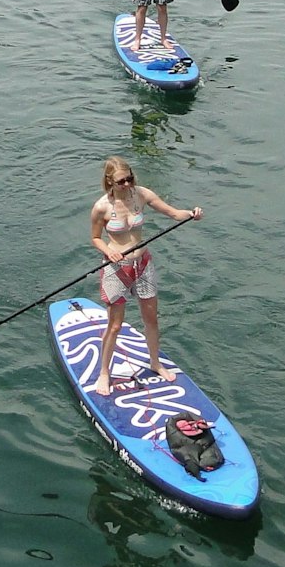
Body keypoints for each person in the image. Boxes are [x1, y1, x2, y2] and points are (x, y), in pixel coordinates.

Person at [86, 156, 203, 396]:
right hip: (116, 269)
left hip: (143, 264)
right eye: (121, 182)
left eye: (130, 179)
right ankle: (104, 373)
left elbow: (173, 213)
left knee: (151, 319)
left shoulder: (141, 194)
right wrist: (109, 252)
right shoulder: (101, 207)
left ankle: (155, 362)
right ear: (110, 181)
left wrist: (191, 213)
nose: (127, 184)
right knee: (115, 325)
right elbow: (96, 238)